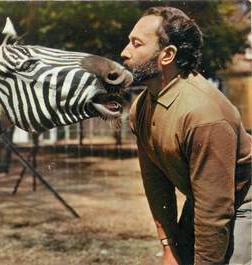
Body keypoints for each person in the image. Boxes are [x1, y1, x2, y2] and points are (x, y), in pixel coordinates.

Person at [120, 6, 251, 265]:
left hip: (241, 205)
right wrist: (169, 247)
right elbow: (156, 183)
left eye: (136, 44)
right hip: (205, 201)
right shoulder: (143, 106)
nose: (124, 52)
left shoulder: (204, 115)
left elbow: (215, 212)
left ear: (167, 55)